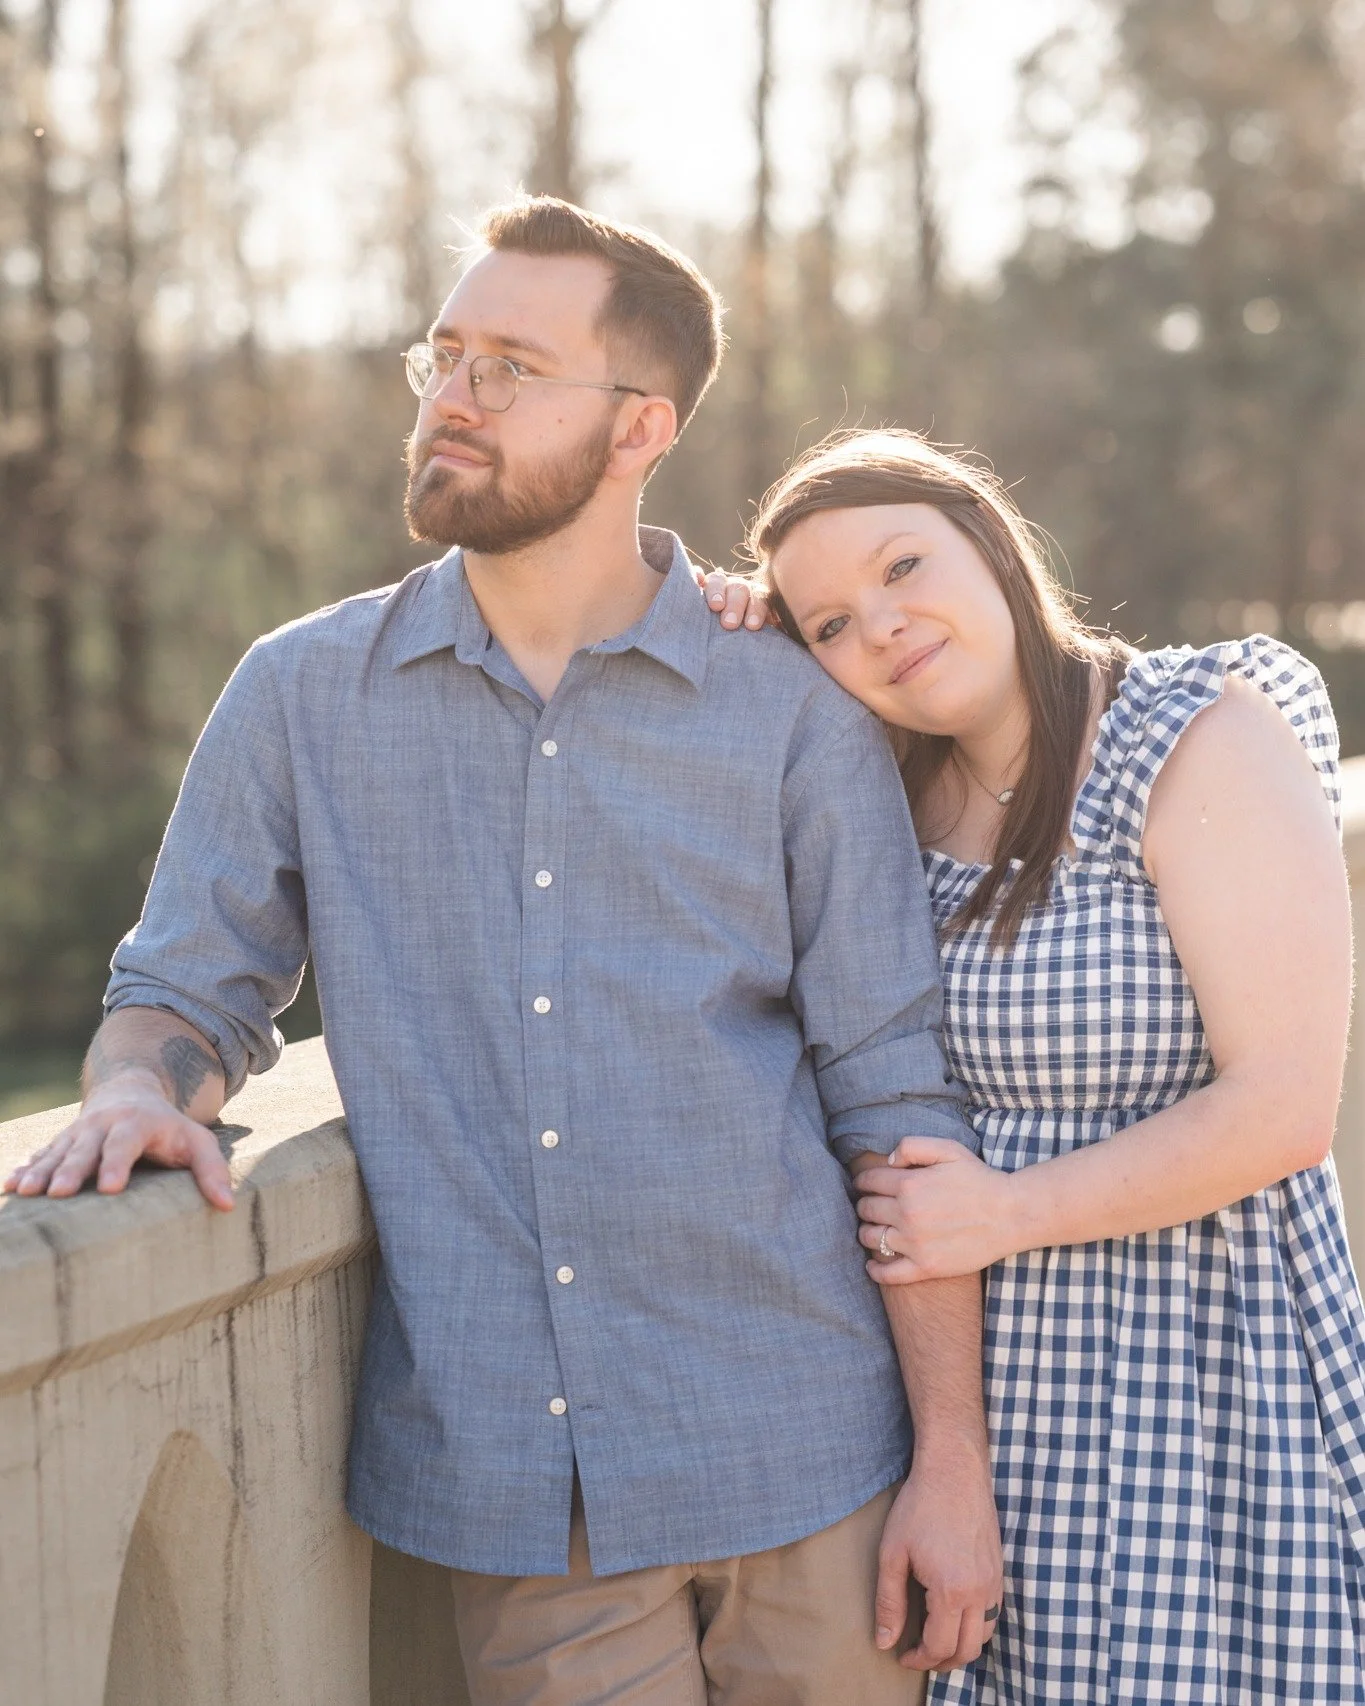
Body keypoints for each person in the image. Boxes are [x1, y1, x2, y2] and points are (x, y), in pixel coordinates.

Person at [4, 205, 1003, 1705]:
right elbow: (182, 988)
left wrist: (951, 1463)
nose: (452, 396)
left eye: (512, 365)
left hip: (809, 1460)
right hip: (527, 1501)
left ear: (637, 427)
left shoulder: (788, 709)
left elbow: (891, 1094)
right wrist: (144, 1089)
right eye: (446, 354)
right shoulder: (300, 694)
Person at [706, 427, 1365, 1704]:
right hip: (987, 1401)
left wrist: (1006, 1211)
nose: (884, 625)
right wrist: (717, 636)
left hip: (1206, 1365)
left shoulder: (1193, 736)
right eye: (831, 623)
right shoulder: (884, 811)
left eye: (905, 564)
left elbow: (1286, 1107)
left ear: (993, 544)